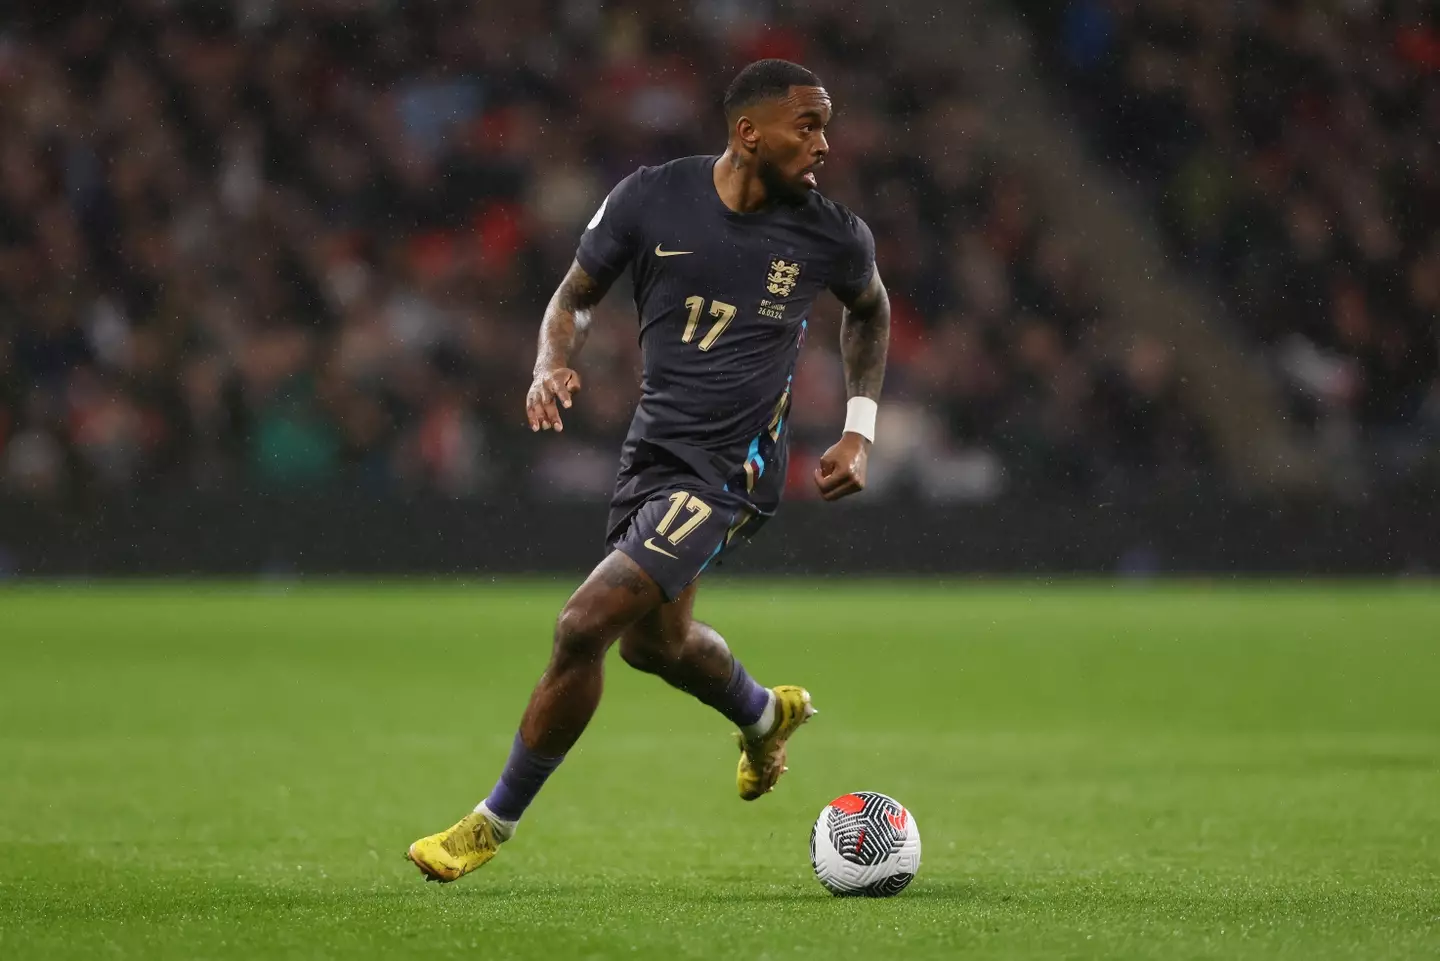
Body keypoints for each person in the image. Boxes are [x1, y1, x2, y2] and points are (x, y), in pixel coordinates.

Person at [406, 59, 891, 883]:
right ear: (748, 132)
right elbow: (573, 297)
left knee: (581, 625)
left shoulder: (829, 231)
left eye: (826, 123)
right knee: (652, 646)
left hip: (731, 471)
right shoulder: (649, 198)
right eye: (807, 124)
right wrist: (549, 363)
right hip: (654, 451)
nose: (824, 143)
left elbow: (870, 308)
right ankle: (763, 713)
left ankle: (492, 821)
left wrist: (858, 430)